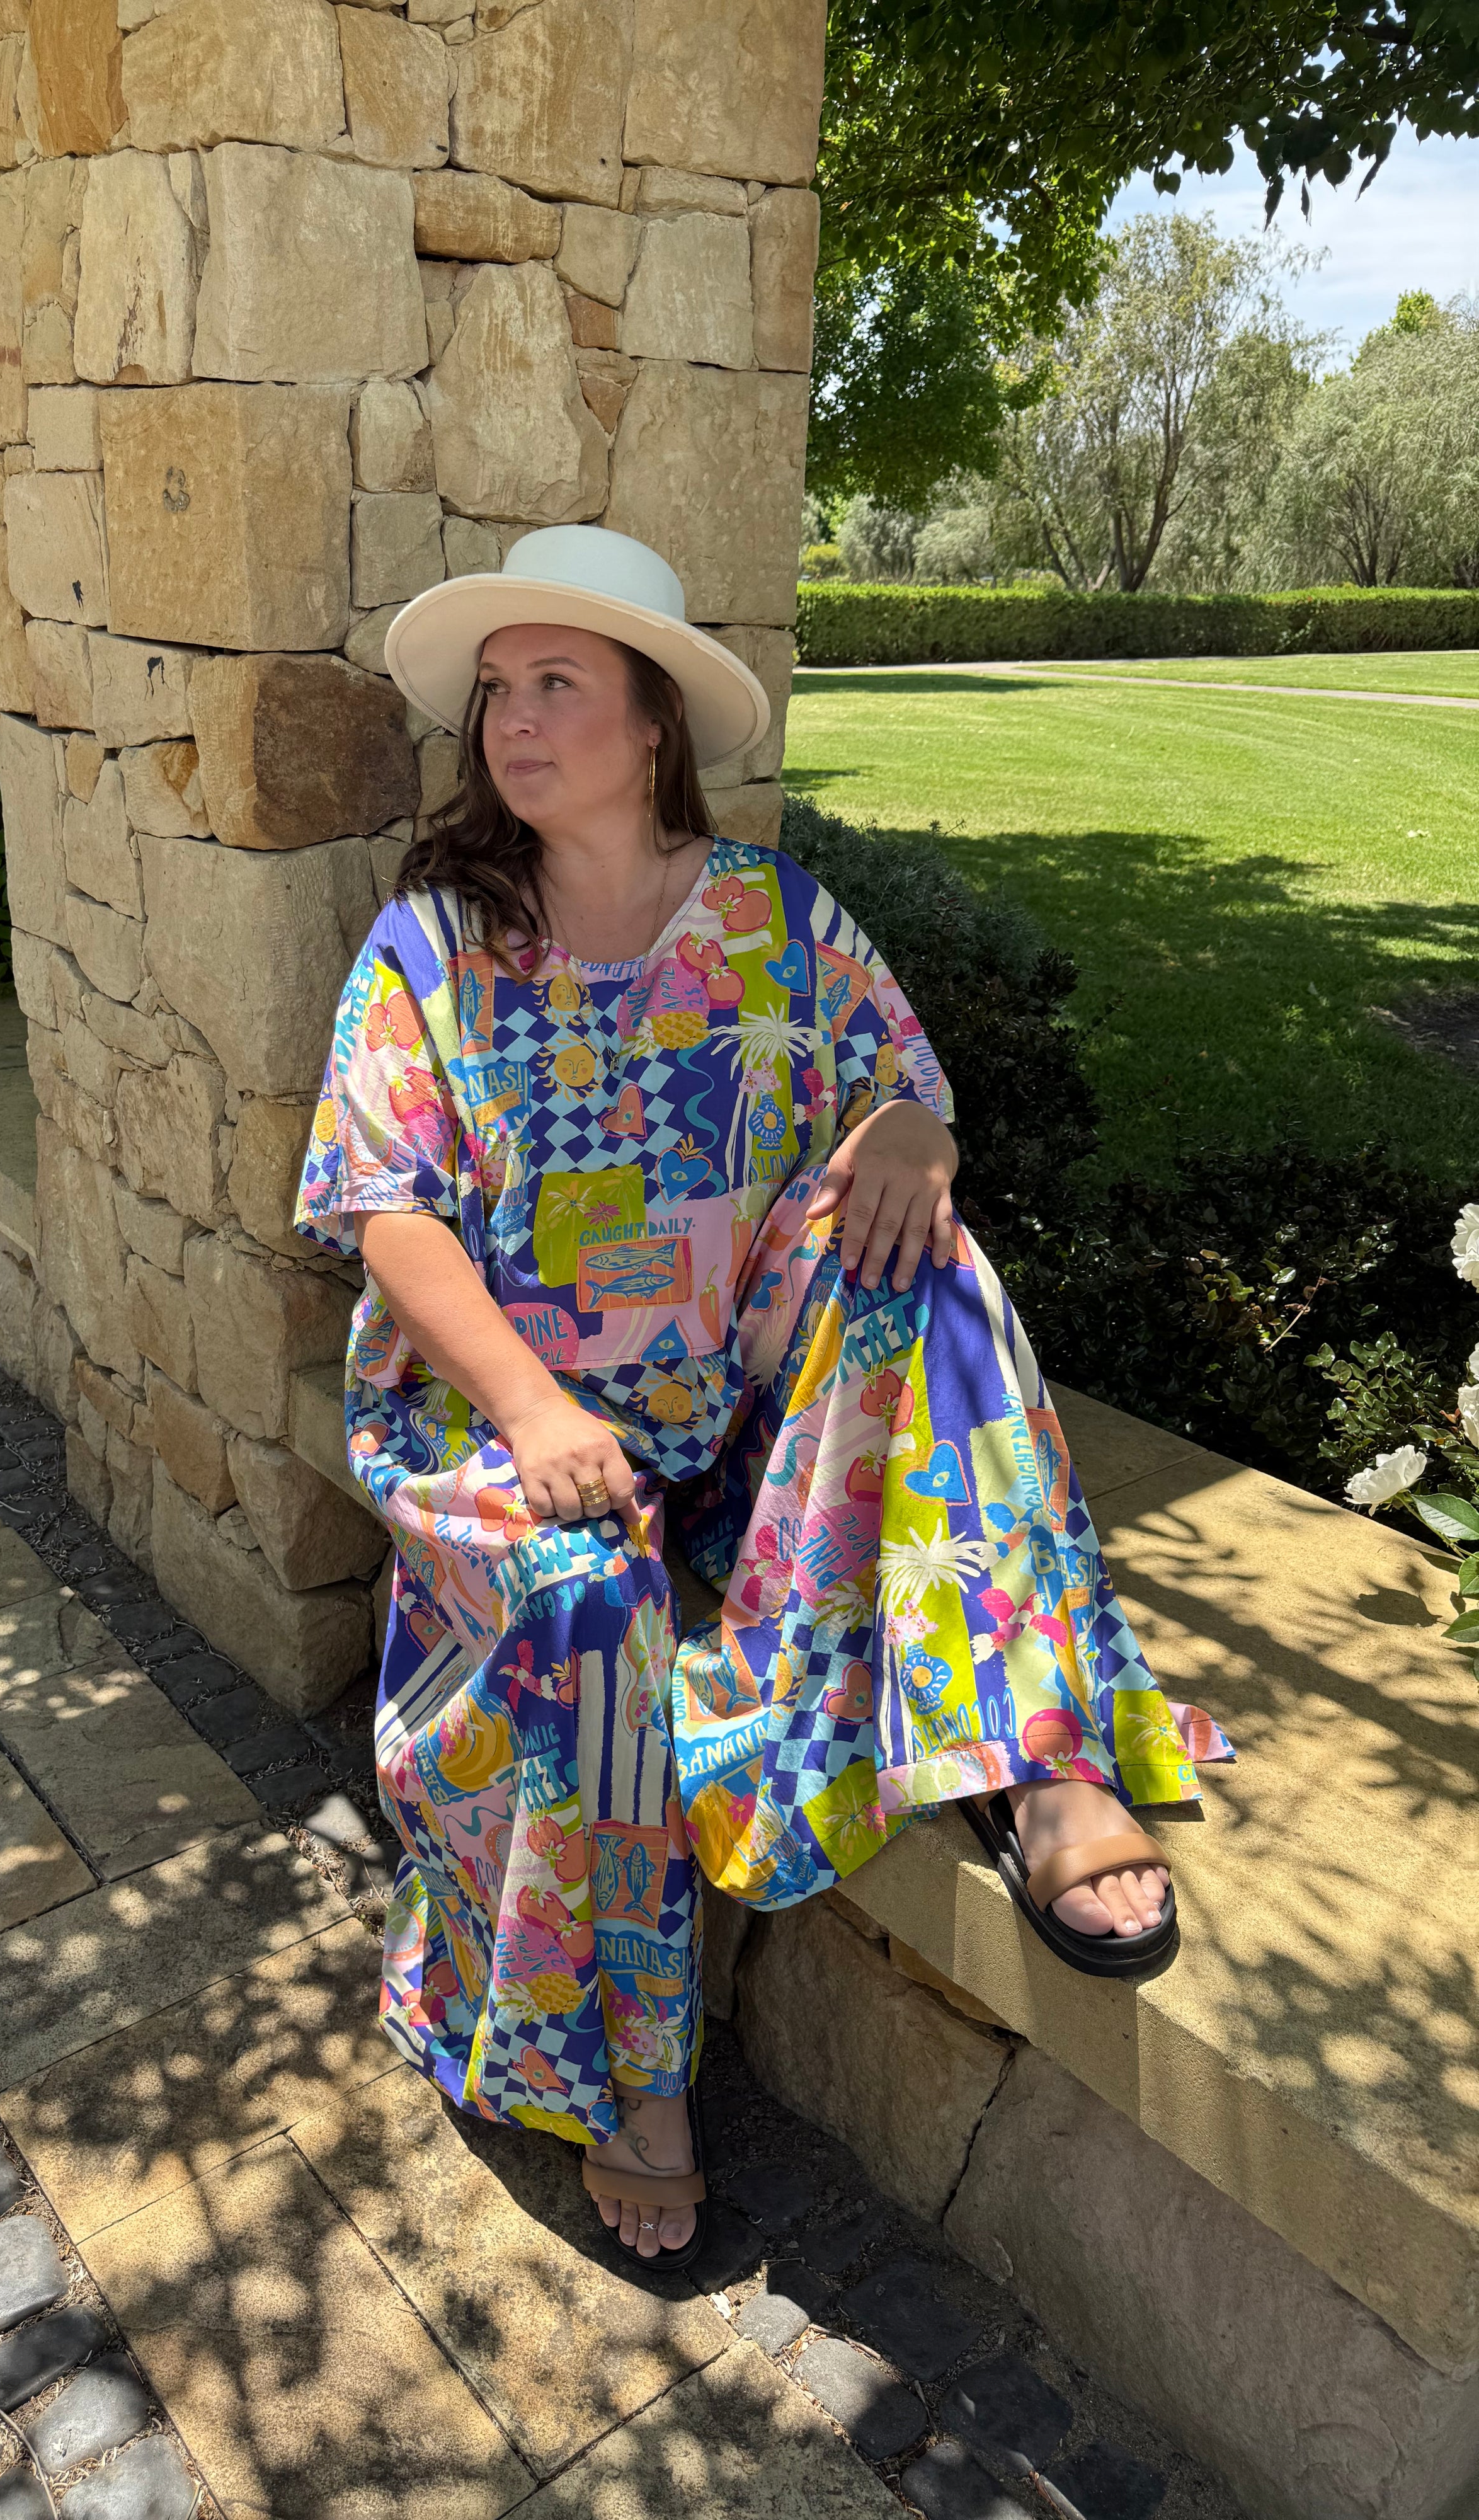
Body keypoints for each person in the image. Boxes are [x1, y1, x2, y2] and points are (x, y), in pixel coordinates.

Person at [295, 525, 1231, 2269]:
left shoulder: (776, 921)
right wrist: (536, 1414)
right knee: (588, 1610)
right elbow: (388, 1214)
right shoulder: (435, 943)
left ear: (654, 720)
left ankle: (1033, 1750)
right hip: (497, 1419)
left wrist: (913, 1129)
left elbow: (904, 1096)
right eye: (497, 689)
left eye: (557, 681)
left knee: (927, 1266)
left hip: (729, 1419)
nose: (513, 719)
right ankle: (632, 2075)